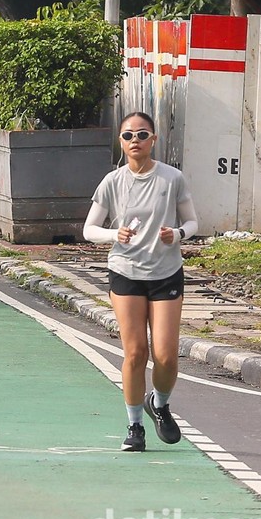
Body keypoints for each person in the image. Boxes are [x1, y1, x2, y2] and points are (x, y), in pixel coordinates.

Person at [83, 112, 198, 453]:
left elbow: (193, 222)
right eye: (128, 135)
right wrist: (113, 234)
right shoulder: (112, 181)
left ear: (153, 140)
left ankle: (159, 403)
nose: (136, 140)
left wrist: (177, 233)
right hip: (126, 272)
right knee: (135, 352)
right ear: (121, 142)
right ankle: (135, 426)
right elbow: (89, 229)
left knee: (166, 356)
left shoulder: (172, 178)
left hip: (166, 273)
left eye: (142, 134)